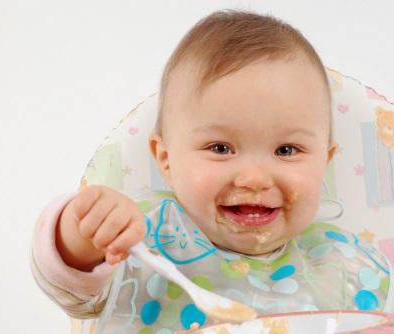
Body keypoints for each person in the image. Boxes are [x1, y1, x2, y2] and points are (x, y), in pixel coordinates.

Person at [31, 10, 393, 333]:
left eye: (286, 150)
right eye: (221, 149)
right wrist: (85, 231)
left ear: (324, 163)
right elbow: (69, 286)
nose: (254, 178)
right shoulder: (141, 242)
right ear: (167, 160)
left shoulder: (341, 263)